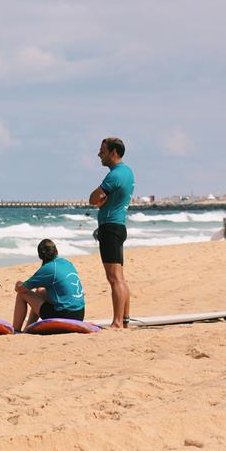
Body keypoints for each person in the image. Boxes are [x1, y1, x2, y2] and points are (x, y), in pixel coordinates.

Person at [89, 137, 134, 329]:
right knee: (120, 277)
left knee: (114, 278)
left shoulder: (114, 175)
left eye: (102, 150)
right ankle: (124, 319)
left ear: (113, 152)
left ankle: (117, 323)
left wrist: (100, 200)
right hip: (119, 226)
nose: (99, 154)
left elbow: (92, 199)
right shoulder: (127, 172)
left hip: (110, 227)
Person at [13, 239, 85, 332]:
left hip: (65, 316)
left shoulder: (48, 268)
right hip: (79, 314)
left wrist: (18, 284)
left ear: (40, 256)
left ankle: (16, 330)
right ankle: (28, 329)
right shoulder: (67, 263)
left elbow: (21, 289)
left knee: (22, 294)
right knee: (39, 291)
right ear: (56, 251)